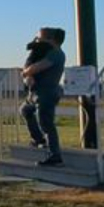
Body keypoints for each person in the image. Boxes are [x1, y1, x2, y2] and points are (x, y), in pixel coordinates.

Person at [20, 27, 66, 166]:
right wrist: (27, 75)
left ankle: (55, 155)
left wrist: (26, 73)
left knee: (46, 123)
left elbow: (36, 68)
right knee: (25, 110)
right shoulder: (44, 52)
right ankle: (38, 139)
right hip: (35, 93)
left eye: (40, 38)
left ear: (50, 39)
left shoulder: (56, 54)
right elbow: (29, 67)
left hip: (47, 93)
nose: (37, 41)